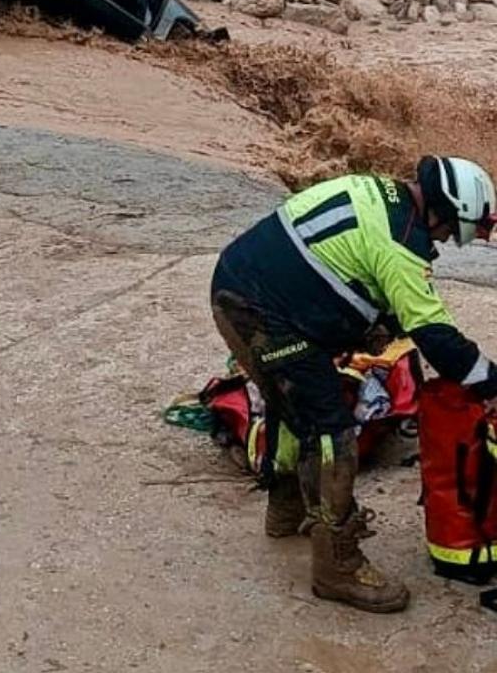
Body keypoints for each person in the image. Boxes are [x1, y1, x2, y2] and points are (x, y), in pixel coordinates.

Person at [211, 156, 497, 614]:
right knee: (331, 428)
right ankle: (336, 565)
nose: (445, 241)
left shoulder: (382, 192)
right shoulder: (402, 245)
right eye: (450, 232)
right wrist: (490, 381)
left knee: (293, 406)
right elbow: (437, 338)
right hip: (261, 313)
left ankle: (286, 510)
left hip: (239, 288)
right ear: (443, 210)